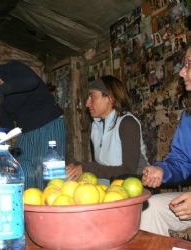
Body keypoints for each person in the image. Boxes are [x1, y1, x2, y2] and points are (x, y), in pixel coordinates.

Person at [0, 46, 66, 189]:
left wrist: (0, 91)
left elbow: (32, 82)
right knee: (24, 176)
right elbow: (8, 124)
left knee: (49, 180)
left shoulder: (12, 68)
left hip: (48, 123)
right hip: (27, 131)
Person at [140, 45, 191, 237]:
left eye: (189, 64)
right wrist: (162, 170)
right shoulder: (189, 117)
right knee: (151, 207)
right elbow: (181, 159)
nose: (181, 72)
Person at [67, 75, 148, 181]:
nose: (87, 103)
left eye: (93, 97)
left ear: (110, 98)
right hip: (111, 188)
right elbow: (103, 166)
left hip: (138, 188)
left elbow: (128, 171)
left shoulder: (127, 123)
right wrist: (74, 166)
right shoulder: (96, 126)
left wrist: (86, 168)